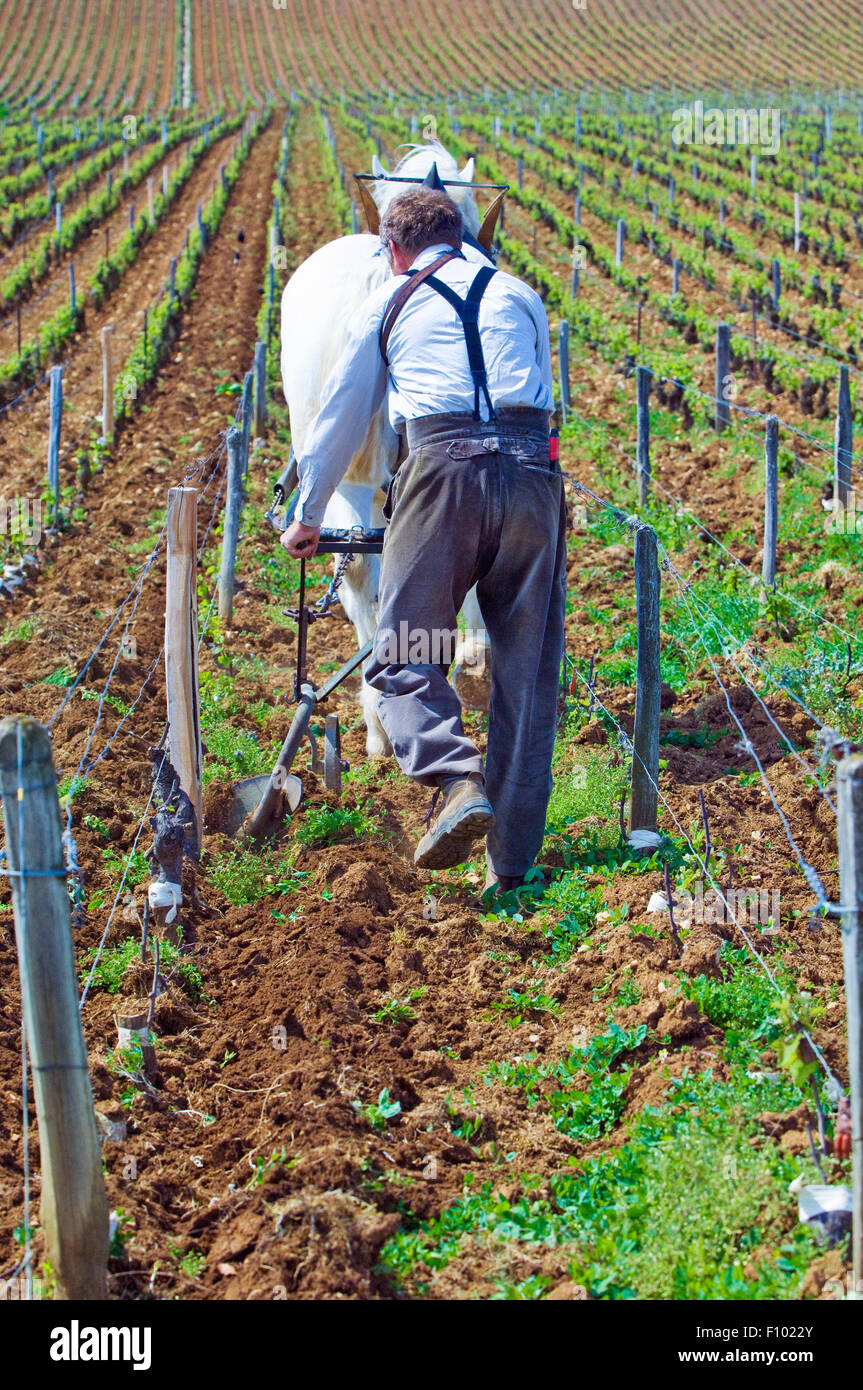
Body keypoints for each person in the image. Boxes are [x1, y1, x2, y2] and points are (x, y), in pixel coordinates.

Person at [281, 187, 566, 891]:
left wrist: (308, 512)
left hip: (442, 476)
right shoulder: (519, 293)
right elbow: (545, 400)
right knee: (525, 677)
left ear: (392, 248)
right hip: (532, 477)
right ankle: (513, 863)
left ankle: (453, 779)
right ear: (466, 236)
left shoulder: (387, 300)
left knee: (406, 652)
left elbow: (342, 415)